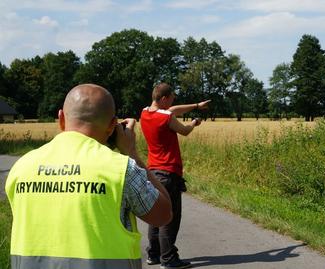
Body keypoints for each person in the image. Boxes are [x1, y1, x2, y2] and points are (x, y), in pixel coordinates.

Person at [5, 84, 172, 269]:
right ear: (111, 126)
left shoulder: (21, 167)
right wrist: (131, 152)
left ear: (61, 118)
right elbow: (164, 215)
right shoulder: (120, 168)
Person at [140, 83, 210, 268]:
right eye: (171, 98)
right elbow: (185, 131)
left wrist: (196, 105)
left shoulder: (145, 112)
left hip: (153, 171)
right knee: (169, 217)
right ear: (164, 99)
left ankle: (153, 255)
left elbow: (171, 110)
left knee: (155, 215)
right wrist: (193, 123)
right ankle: (169, 259)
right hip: (168, 172)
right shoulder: (166, 117)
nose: (173, 101)